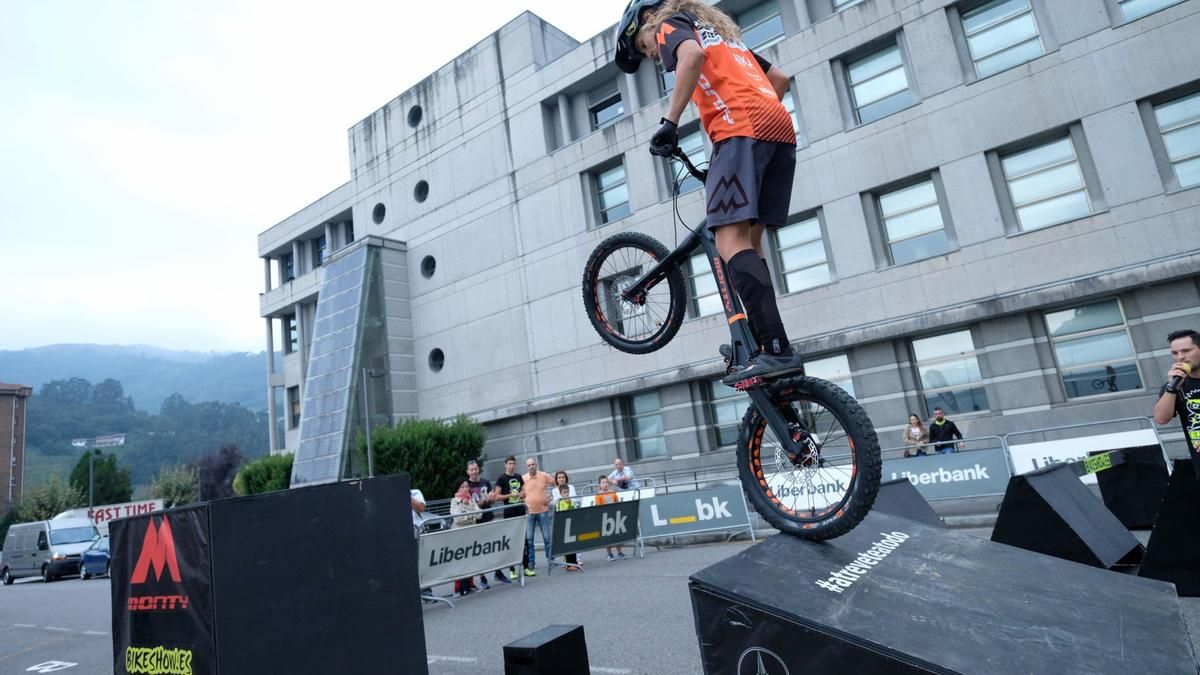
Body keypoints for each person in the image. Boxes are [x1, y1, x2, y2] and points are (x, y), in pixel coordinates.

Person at [614, 0, 802, 385]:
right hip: (779, 131)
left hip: (739, 132)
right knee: (749, 243)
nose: (651, 55)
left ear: (646, 21)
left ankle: (776, 350)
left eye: (643, 48)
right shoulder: (726, 40)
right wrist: (756, 121)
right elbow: (779, 80)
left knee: (729, 241)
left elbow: (691, 56)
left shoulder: (669, 26)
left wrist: (670, 123)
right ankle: (765, 342)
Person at [1152, 329, 1200, 473]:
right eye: (1175, 353)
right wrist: (1172, 389)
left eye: (1186, 351)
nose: (1180, 357)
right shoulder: (1175, 386)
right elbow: (1161, 419)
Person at [461, 459, 502, 587]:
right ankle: (483, 578)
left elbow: (492, 501)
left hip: (489, 517)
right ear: (468, 471)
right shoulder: (466, 486)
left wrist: (492, 498)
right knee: (480, 550)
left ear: (478, 469)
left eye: (476, 469)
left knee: (495, 547)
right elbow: (471, 507)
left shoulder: (485, 482)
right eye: (471, 470)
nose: (474, 472)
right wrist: (485, 501)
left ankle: (498, 572)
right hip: (476, 521)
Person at [449, 479, 485, 595]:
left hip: (471, 534)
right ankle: (458, 588)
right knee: (459, 561)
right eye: (462, 487)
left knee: (471, 559)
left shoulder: (471, 500)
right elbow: (457, 518)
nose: (465, 489)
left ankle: (470, 584)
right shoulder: (455, 501)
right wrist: (471, 517)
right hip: (459, 535)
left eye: (466, 486)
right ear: (457, 489)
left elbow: (479, 514)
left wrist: (468, 515)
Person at [522, 457, 555, 577]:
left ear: (536, 465)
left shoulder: (544, 475)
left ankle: (551, 559)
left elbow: (555, 484)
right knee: (529, 539)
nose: (531, 466)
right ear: (527, 467)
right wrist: (523, 501)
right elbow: (520, 492)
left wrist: (550, 497)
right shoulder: (523, 478)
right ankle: (531, 563)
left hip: (543, 511)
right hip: (529, 512)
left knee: (547, 537)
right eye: (529, 465)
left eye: (533, 464)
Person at [494, 455, 525, 581]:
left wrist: (522, 494)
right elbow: (496, 496)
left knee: (523, 539)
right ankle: (512, 569)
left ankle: (525, 567)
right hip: (509, 511)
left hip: (520, 510)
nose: (512, 466)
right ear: (505, 465)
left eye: (514, 463)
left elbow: (523, 492)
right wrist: (509, 495)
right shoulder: (501, 478)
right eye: (510, 463)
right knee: (511, 541)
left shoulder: (518, 477)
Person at [594, 476, 627, 561]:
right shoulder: (598, 495)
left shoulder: (613, 492)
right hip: (605, 517)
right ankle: (609, 554)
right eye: (603, 483)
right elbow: (598, 507)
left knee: (617, 535)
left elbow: (617, 502)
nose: (605, 484)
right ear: (600, 485)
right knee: (607, 536)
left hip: (614, 516)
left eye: (606, 482)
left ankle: (620, 552)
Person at [553, 482, 582, 572]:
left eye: (567, 492)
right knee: (567, 546)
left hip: (571, 526)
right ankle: (568, 564)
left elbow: (573, 510)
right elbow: (562, 512)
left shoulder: (571, 501)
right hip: (564, 526)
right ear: (561, 494)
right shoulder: (560, 503)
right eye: (564, 493)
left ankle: (573, 562)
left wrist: (570, 503)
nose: (566, 494)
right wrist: (567, 503)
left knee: (572, 545)